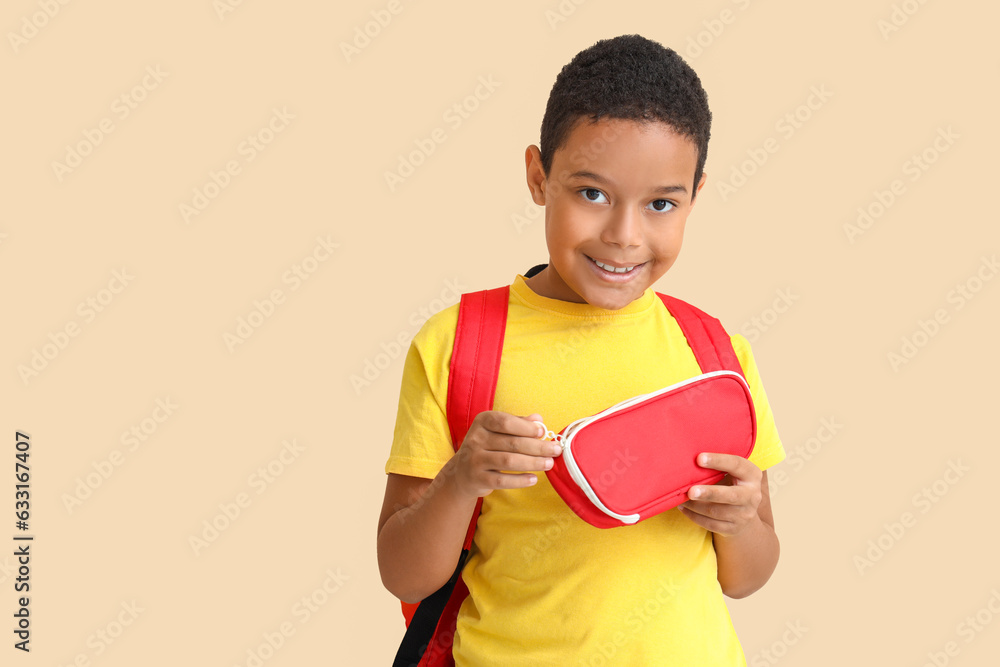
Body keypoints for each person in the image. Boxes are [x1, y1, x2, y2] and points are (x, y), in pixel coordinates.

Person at [377, 33, 786, 665]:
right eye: (592, 193)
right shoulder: (458, 343)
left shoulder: (715, 354)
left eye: (660, 204)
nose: (624, 236)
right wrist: (461, 481)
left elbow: (747, 575)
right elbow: (404, 576)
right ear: (540, 177)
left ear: (695, 197)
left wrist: (740, 522)